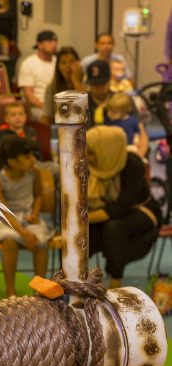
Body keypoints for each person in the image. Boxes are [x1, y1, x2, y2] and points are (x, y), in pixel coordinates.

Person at [86, 126, 160, 289]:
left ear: (106, 150)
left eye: (91, 152)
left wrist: (82, 219)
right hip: (109, 212)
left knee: (113, 228)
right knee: (78, 233)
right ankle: (74, 277)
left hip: (142, 210)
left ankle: (115, 281)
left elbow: (122, 207)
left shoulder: (133, 164)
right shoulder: (92, 165)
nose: (87, 156)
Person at [0, 135, 50, 298]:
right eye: (27, 157)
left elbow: (37, 196)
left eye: (32, 155)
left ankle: (39, 290)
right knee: (10, 242)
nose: (32, 159)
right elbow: (4, 212)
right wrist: (23, 232)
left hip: (28, 217)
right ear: (12, 161)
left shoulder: (34, 173)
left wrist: (35, 213)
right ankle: (11, 291)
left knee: (41, 243)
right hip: (8, 221)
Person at [18, 30, 58, 122]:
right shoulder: (29, 63)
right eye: (50, 42)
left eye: (55, 41)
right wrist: (48, 108)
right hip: (37, 107)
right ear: (39, 45)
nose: (54, 44)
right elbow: (29, 95)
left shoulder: (58, 62)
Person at [41, 47, 84, 125]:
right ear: (58, 67)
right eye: (63, 63)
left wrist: (76, 82)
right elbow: (47, 117)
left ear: (78, 64)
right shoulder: (52, 87)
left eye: (71, 62)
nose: (68, 66)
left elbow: (83, 111)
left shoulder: (86, 82)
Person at [104, 92, 148, 158]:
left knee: (135, 153)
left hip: (129, 145)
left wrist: (136, 139)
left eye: (114, 112)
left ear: (124, 112)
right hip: (113, 146)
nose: (110, 114)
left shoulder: (132, 120)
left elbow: (137, 131)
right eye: (109, 110)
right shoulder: (108, 120)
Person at [85, 60, 112, 128]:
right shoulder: (81, 103)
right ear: (89, 85)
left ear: (110, 81)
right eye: (95, 85)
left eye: (102, 84)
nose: (99, 89)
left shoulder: (120, 100)